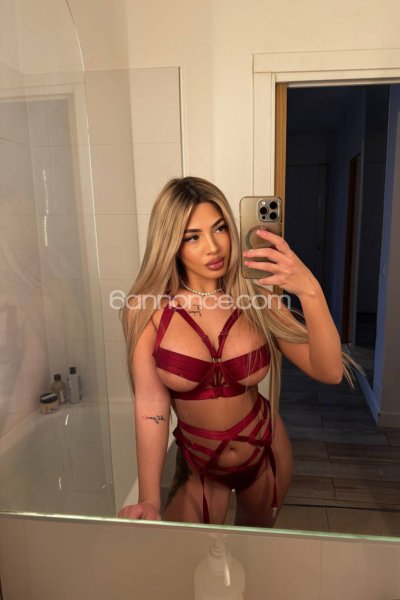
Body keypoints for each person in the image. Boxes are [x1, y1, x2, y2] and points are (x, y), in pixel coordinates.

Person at [117, 176, 359, 527]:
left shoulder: (257, 299)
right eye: (193, 237)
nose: (214, 247)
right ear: (170, 243)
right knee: (189, 556)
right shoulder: (147, 310)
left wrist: (310, 290)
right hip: (199, 465)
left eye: (219, 229)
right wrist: (149, 498)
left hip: (266, 452)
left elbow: (329, 371)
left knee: (252, 550)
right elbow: (151, 404)